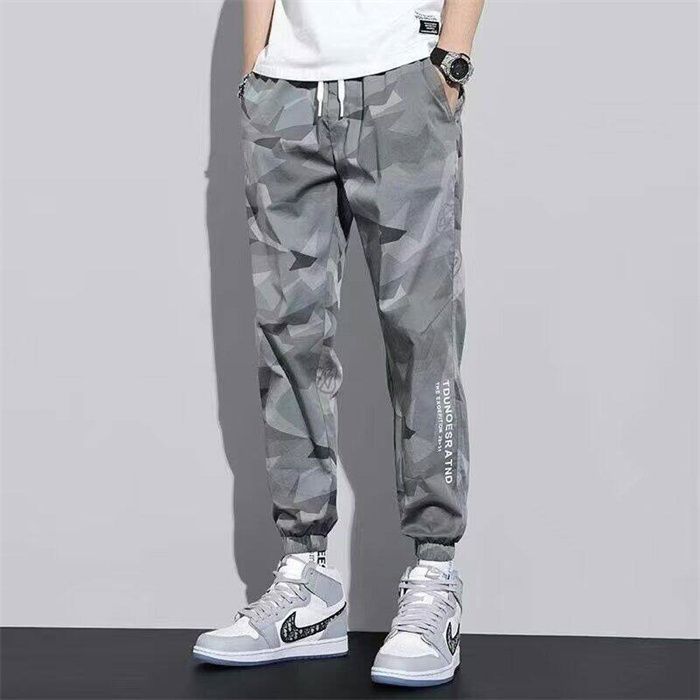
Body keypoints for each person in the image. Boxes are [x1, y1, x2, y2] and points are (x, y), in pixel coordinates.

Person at [193, 0, 484, 687]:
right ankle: (307, 584)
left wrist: (452, 63)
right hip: (286, 95)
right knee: (287, 339)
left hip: (404, 80)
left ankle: (434, 577)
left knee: (422, 336)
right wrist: (255, 74)